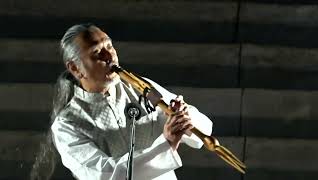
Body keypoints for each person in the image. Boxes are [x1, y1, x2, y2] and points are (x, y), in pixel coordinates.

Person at [32, 23, 213, 180]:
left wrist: (184, 117)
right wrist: (167, 143)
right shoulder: (67, 124)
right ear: (75, 68)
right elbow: (108, 175)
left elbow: (203, 131)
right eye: (97, 52)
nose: (109, 56)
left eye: (109, 46)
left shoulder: (141, 87)